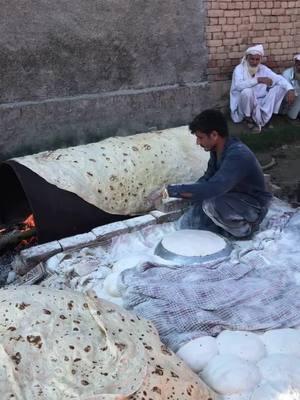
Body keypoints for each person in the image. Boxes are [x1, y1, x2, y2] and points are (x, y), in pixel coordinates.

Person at [166, 109, 272, 239]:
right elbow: (207, 179)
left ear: (214, 135)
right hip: (233, 198)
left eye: (200, 138)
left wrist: (171, 191)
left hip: (254, 205)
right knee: (191, 219)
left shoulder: (238, 155)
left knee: (210, 204)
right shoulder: (217, 151)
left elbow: (214, 188)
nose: (198, 143)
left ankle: (246, 230)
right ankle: (226, 226)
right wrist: (188, 192)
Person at [230, 44, 294, 133]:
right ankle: (248, 119)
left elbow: (277, 78)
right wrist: (258, 80)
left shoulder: (263, 68)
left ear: (260, 59)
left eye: (257, 59)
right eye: (252, 59)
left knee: (280, 88)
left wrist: (290, 89)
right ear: (247, 58)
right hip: (244, 103)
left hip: (261, 100)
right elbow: (238, 86)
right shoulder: (239, 69)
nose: (254, 62)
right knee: (247, 92)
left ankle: (268, 116)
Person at [282, 54, 300, 121]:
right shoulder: (287, 73)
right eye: (299, 65)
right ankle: (292, 116)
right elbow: (287, 91)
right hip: (287, 100)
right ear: (295, 64)